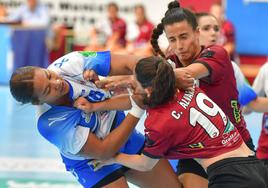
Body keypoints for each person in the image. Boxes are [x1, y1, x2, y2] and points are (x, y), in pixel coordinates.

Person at [88, 56, 268, 188]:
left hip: (230, 177)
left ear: (149, 90)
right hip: (255, 165)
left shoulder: (159, 124)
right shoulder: (188, 87)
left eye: (135, 83)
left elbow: (145, 164)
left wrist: (112, 157)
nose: (131, 85)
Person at [9, 51, 180, 188]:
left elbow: (133, 63)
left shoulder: (72, 63)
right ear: (38, 102)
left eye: (48, 75)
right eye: (48, 89)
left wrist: (144, 80)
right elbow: (103, 151)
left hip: (120, 129)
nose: (56, 82)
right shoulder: (49, 123)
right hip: (91, 163)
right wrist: (137, 109)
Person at [147, 1, 255, 187]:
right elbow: (142, 93)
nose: (179, 46)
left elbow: (250, 102)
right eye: (173, 39)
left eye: (184, 37)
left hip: (233, 148)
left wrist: (148, 74)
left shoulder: (219, 56)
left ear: (196, 34)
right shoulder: (169, 64)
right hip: (194, 151)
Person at [195, 12, 257, 106]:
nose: (213, 33)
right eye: (206, 28)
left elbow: (251, 103)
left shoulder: (232, 67)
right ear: (194, 32)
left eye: (216, 29)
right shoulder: (177, 64)